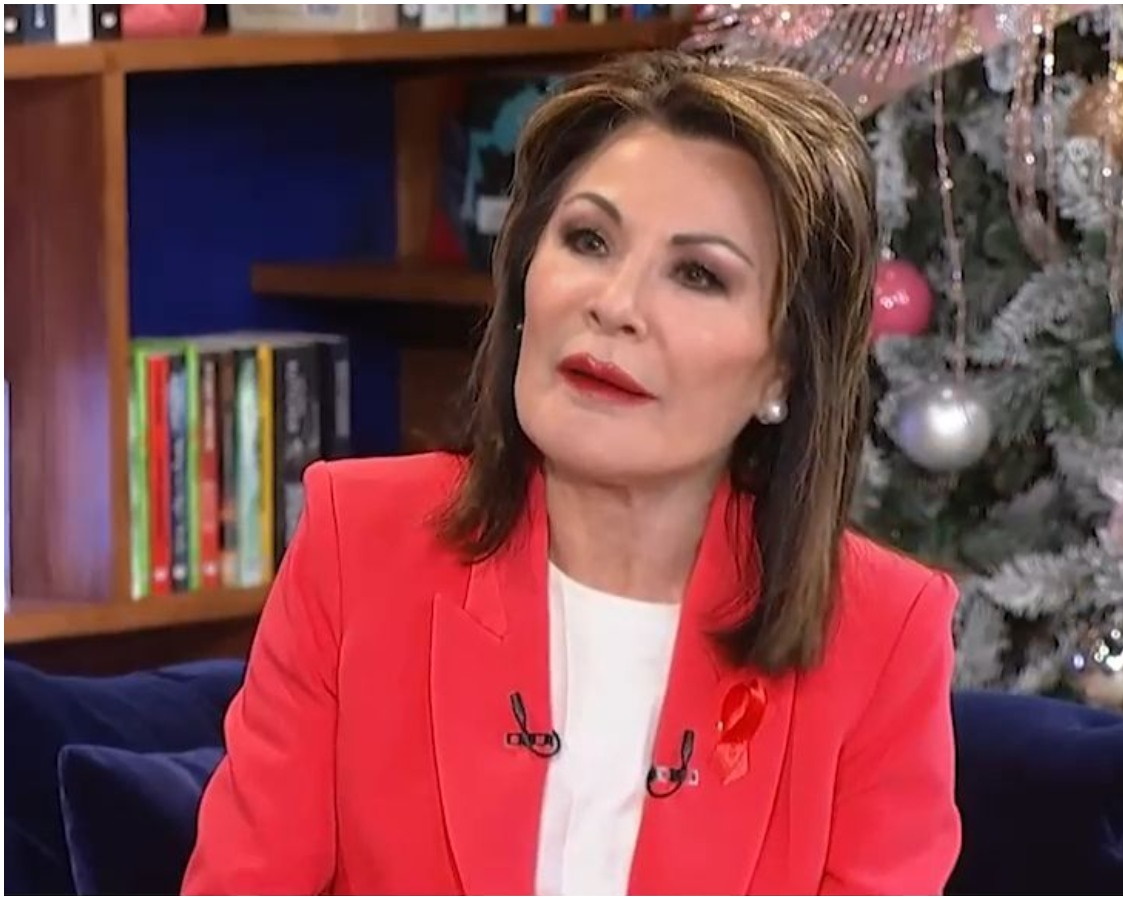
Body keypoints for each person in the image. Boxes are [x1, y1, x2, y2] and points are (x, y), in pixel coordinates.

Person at [182, 49, 962, 896]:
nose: (614, 305)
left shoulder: (881, 635)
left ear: (784, 367)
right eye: (588, 240)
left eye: (698, 275)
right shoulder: (359, 544)